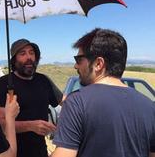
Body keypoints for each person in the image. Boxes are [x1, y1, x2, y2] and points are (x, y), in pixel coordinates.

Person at [51, 28, 155, 157]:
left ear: (98, 64)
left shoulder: (77, 102)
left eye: (78, 60)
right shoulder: (149, 106)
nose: (76, 66)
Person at [0, 39, 63, 157]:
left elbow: (64, 102)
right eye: (22, 53)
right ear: (14, 59)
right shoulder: (3, 84)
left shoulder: (43, 80)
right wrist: (30, 126)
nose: (29, 57)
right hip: (10, 152)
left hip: (40, 151)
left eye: (31, 53)